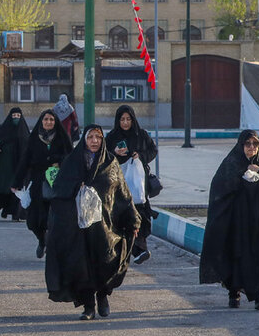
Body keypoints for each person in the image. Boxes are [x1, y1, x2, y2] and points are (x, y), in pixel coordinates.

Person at [45, 124, 139, 319]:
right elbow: (59, 191)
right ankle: (88, 307)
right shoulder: (72, 162)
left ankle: (103, 295)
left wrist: (133, 220)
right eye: (90, 137)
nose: (94, 141)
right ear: (84, 140)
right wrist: (75, 188)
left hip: (105, 227)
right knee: (81, 266)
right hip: (77, 228)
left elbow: (123, 194)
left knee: (105, 260)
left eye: (98, 137)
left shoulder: (110, 163)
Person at [199, 130, 259, 310]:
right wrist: (241, 179)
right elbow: (219, 188)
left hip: (257, 223)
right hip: (236, 222)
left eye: (255, 144)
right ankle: (233, 292)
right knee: (236, 255)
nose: (251, 148)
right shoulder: (231, 163)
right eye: (248, 144)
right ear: (241, 145)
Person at [12, 109, 74, 258]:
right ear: (41, 121)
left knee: (54, 219)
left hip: (56, 184)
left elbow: (71, 157)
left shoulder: (61, 138)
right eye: (46, 119)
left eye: (51, 120)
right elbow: (25, 160)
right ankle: (42, 240)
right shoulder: (34, 138)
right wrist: (17, 182)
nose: (48, 122)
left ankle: (54, 248)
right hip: (38, 183)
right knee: (33, 221)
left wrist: (59, 161)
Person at [106, 104, 158, 264]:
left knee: (140, 214)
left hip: (138, 184)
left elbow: (153, 150)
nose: (126, 123)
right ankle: (127, 249)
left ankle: (140, 248)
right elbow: (104, 155)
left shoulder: (141, 135)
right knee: (121, 215)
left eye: (128, 119)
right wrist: (114, 153)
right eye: (122, 119)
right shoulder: (112, 136)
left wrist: (140, 156)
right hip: (119, 185)